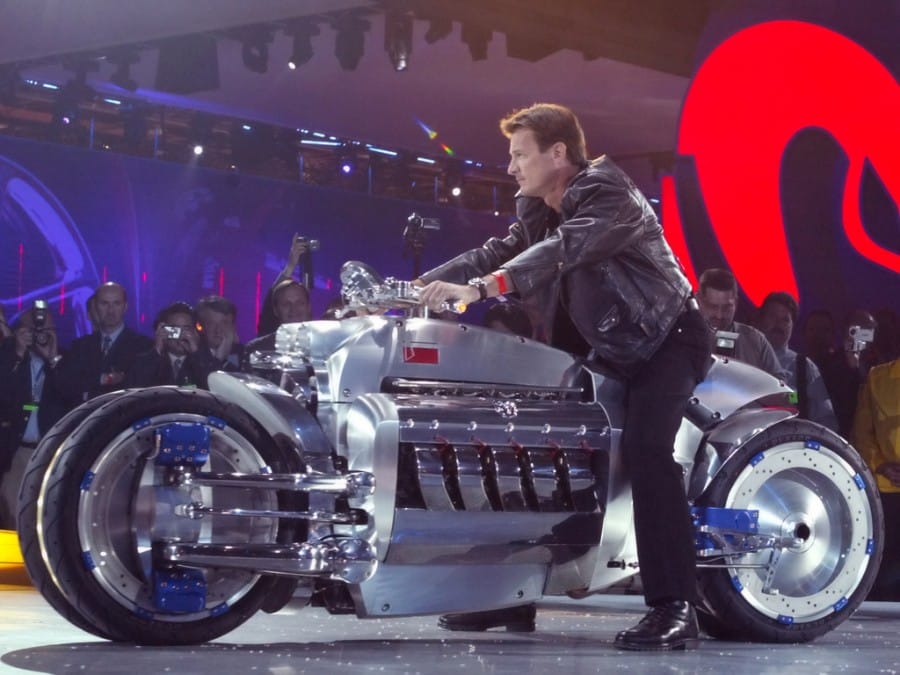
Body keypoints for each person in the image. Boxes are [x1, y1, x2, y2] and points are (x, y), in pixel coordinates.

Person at [417, 103, 711, 651]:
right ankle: (512, 593)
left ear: (558, 153)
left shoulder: (608, 192)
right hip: (611, 346)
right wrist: (414, 290)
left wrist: (479, 290)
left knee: (648, 451)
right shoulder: (538, 205)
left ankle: (675, 606)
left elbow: (562, 250)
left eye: (519, 154)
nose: (510, 167)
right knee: (536, 442)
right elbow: (500, 251)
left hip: (666, 339)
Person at [0, 303, 62, 528]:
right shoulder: (9, 358)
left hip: (50, 454)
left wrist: (53, 360)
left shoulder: (65, 360)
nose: (40, 335)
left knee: (45, 519)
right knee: (11, 519)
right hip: (17, 453)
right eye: (33, 330)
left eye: (47, 330)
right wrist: (17, 352)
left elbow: (70, 395)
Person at [49, 282, 152, 414]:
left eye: (116, 303)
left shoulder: (142, 346)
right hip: (86, 421)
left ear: (125, 307)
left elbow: (134, 390)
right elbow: (68, 386)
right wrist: (104, 379)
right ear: (95, 306)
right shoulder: (80, 346)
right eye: (104, 303)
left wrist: (88, 393)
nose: (110, 310)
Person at [852, 355, 900, 600]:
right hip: (886, 489)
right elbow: (862, 432)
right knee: (885, 568)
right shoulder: (877, 377)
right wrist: (880, 465)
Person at [755, 292, 838, 431]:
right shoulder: (746, 358)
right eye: (773, 317)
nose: (778, 324)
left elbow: (826, 419)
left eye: (785, 319)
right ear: (761, 320)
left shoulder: (805, 367)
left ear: (793, 326)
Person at [696, 268, 786, 379]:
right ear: (698, 300)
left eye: (727, 307)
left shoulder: (756, 341)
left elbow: (780, 383)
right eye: (713, 306)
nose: (719, 315)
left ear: (736, 303)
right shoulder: (682, 339)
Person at [127, 302, 206, 388]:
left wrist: (196, 353)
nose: (180, 336)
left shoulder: (204, 361)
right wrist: (157, 350)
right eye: (175, 329)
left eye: (186, 329)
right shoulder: (144, 361)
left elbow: (211, 385)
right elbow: (138, 385)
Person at [243, 280, 312, 360]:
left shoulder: (322, 344)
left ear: (309, 307)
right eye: (286, 304)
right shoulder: (257, 350)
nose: (293, 309)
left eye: (300, 303)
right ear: (276, 311)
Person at [195, 295, 243, 373]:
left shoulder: (244, 354)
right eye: (211, 323)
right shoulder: (194, 356)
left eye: (224, 323)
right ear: (201, 326)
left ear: (233, 326)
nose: (218, 330)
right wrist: (218, 359)